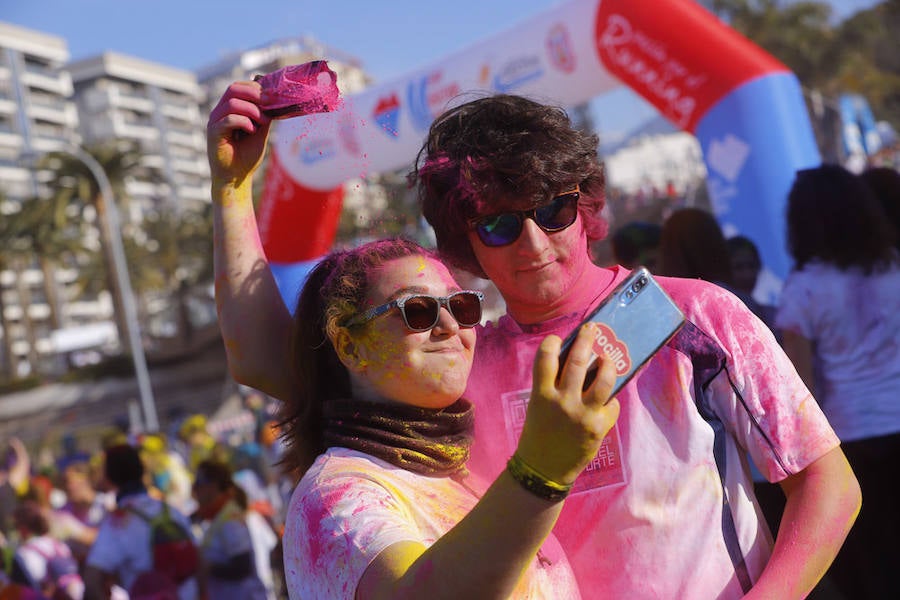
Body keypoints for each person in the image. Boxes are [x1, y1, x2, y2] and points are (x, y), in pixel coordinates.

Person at [209, 80, 859, 598]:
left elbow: (828, 483)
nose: (534, 243)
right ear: (463, 238)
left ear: (587, 206)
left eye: (554, 210)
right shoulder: (458, 354)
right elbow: (270, 357)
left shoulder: (691, 315)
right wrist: (233, 190)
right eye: (497, 225)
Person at [776, 164, 900, 599]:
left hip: (852, 441)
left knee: (874, 565)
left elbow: (801, 387)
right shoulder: (894, 271)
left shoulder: (803, 290)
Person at [83, 444, 198, 600]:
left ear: (109, 477)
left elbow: (92, 579)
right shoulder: (170, 510)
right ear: (141, 471)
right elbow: (199, 560)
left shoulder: (117, 522)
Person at [191, 460, 268, 600]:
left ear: (212, 486)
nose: (194, 490)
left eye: (197, 484)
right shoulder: (220, 515)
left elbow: (243, 566)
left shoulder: (230, 518)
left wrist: (209, 569)